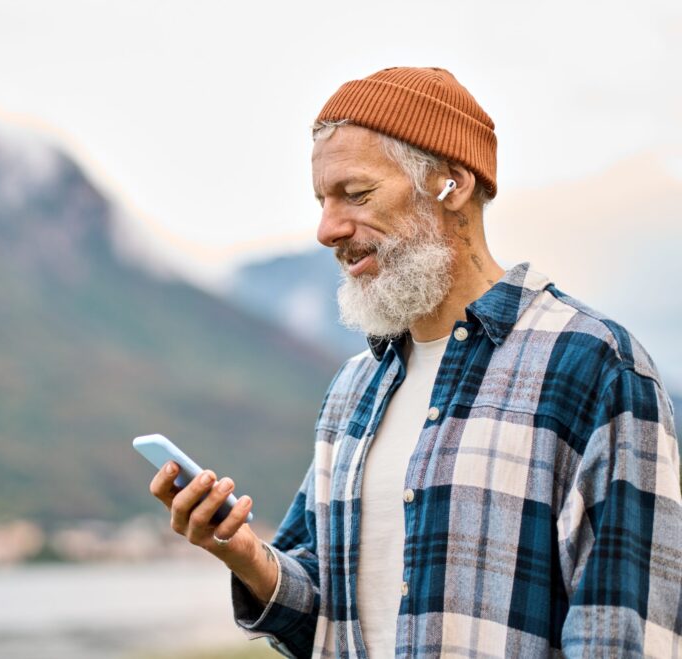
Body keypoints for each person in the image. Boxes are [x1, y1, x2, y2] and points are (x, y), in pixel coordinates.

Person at [148, 66, 682, 658]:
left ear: (452, 184)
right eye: (323, 201)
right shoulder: (353, 388)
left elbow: (623, 636)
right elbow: (326, 615)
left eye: (357, 194)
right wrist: (244, 553)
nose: (327, 229)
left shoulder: (596, 368)